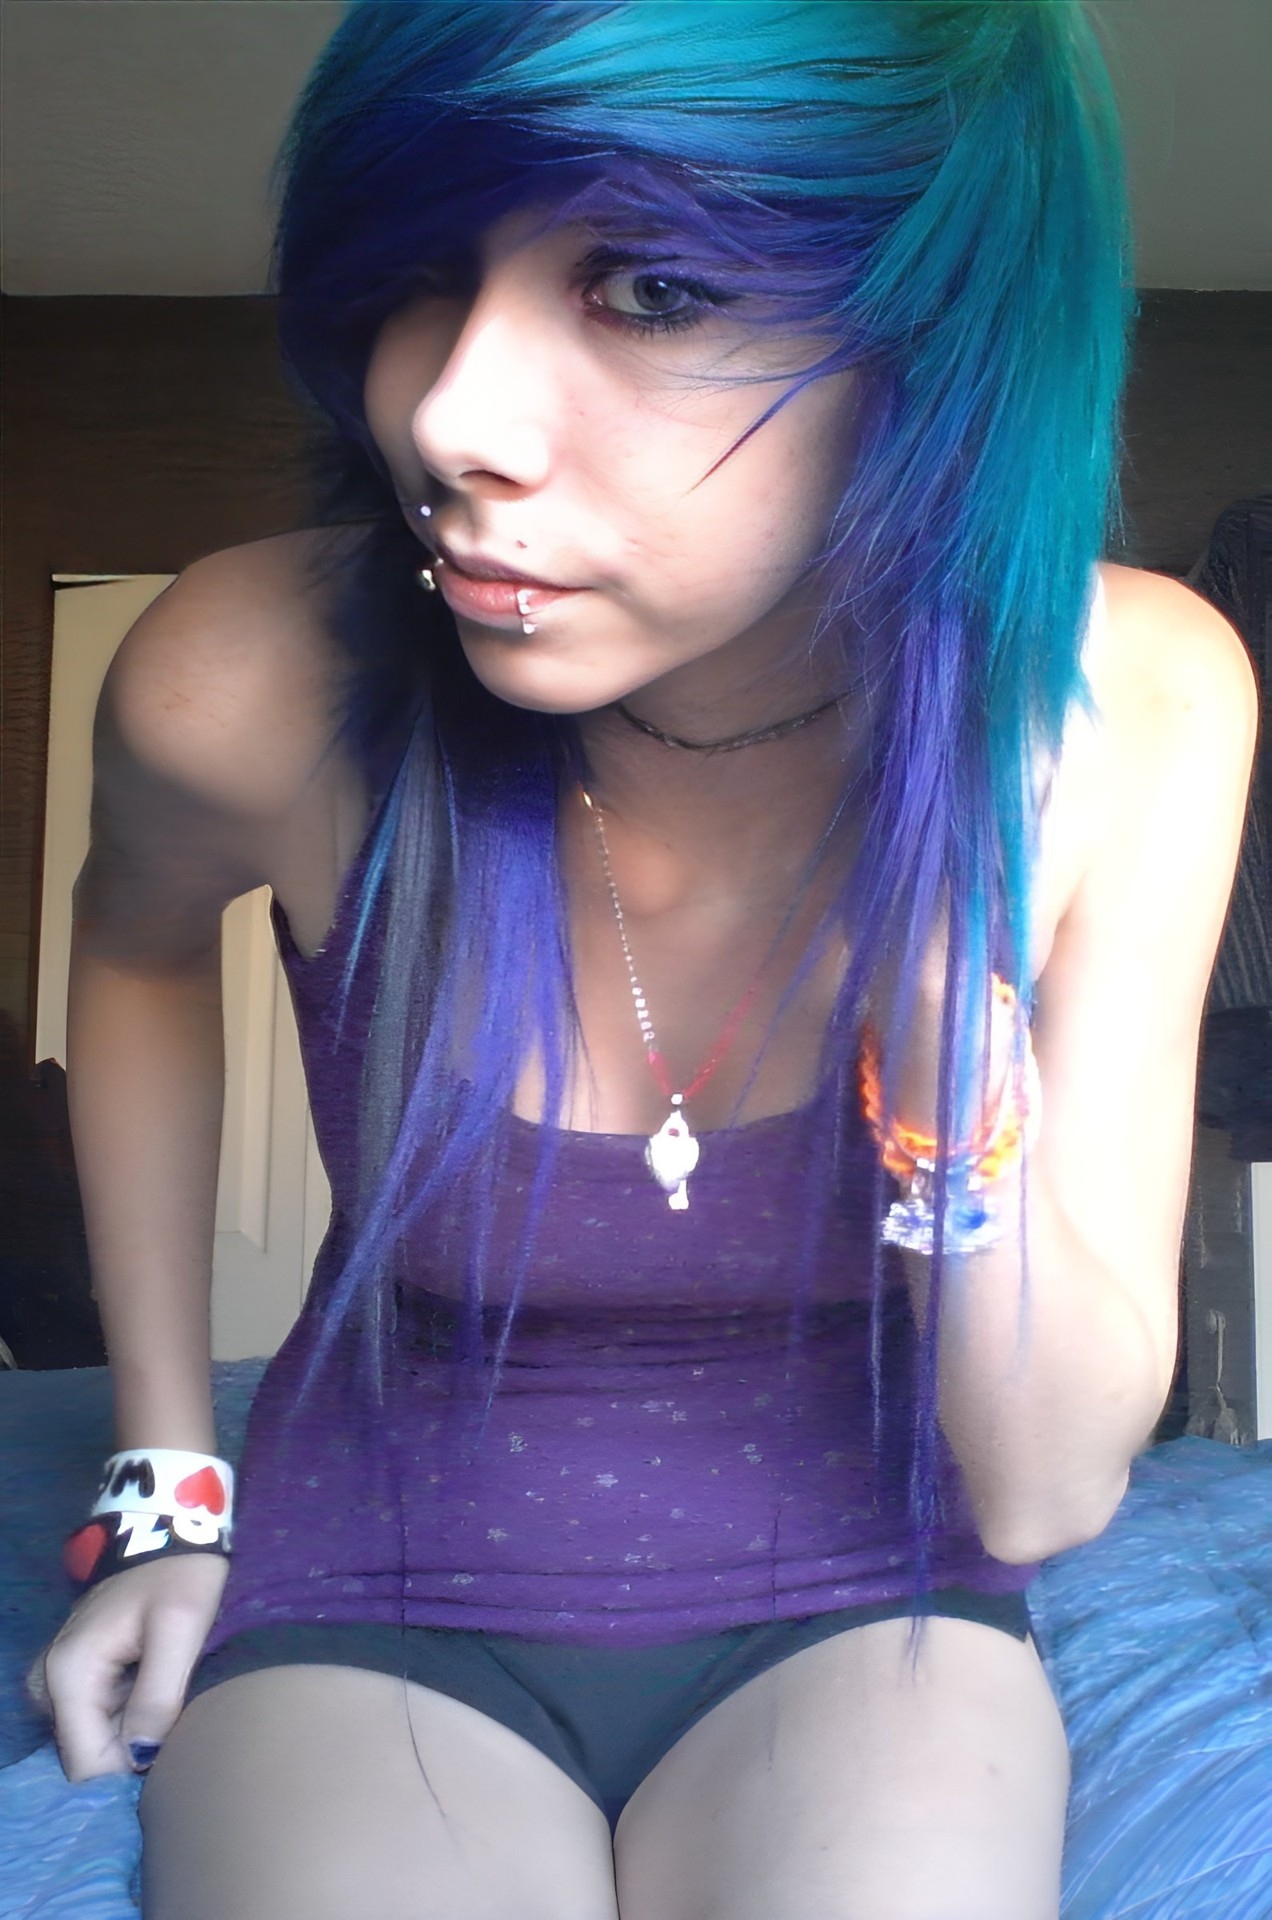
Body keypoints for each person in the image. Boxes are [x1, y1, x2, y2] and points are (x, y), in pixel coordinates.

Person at [33, 4, 1258, 1916]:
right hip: (378, 1585)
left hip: (869, 1601)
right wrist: (165, 1477)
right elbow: (131, 955)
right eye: (425, 277)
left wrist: (943, 991)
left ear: (941, 349)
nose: (447, 417)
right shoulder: (250, 677)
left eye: (656, 289)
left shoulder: (1135, 703)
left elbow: (1042, 1488)